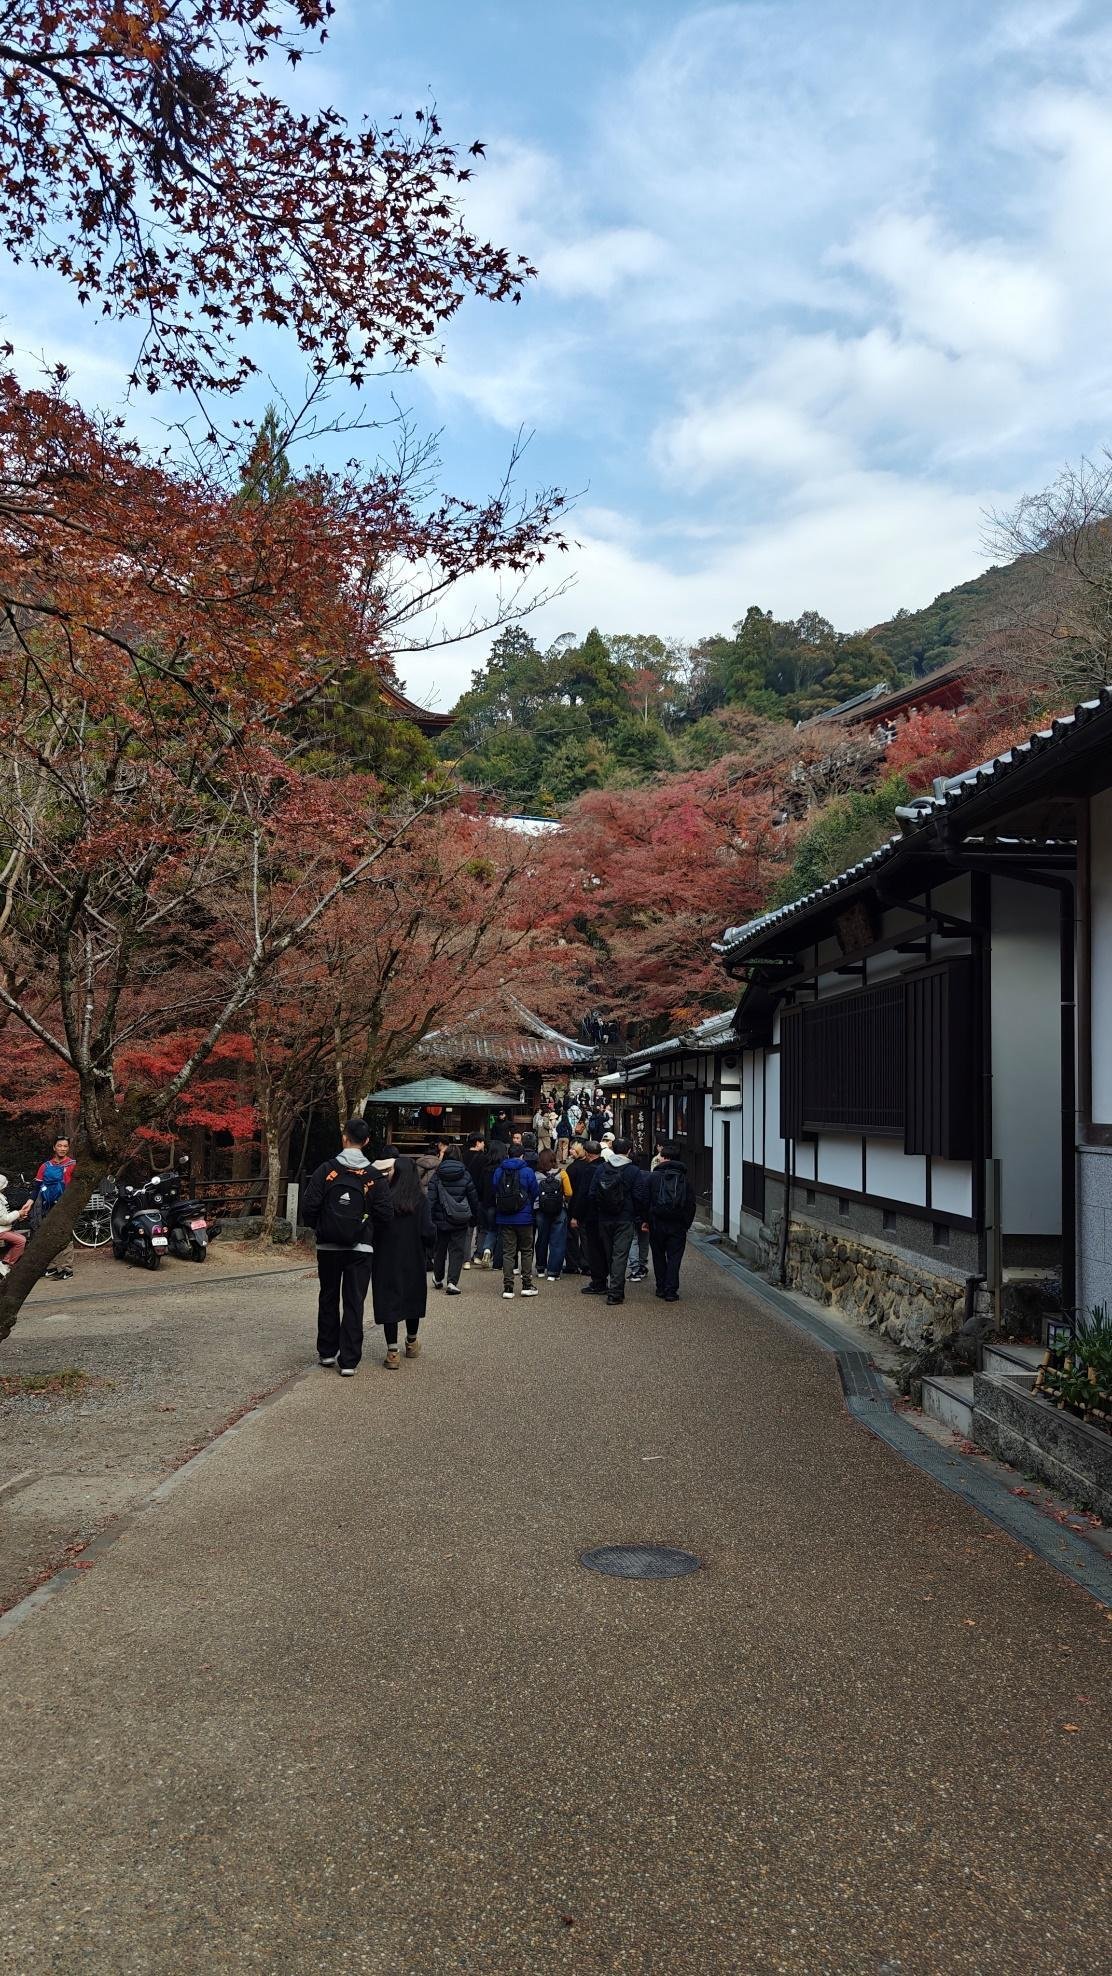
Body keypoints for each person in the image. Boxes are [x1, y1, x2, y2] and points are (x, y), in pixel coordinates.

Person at [301, 1117, 393, 1375]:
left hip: (328, 1246)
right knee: (354, 1301)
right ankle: (349, 1360)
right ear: (366, 1142)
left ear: (344, 1137)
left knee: (328, 1296)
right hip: (360, 1247)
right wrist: (369, 1232)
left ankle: (327, 1352)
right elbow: (386, 1215)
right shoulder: (374, 1177)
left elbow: (309, 1206)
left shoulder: (326, 1170)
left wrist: (321, 1228)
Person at [371, 1152, 434, 1368]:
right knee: (411, 1299)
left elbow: (374, 1229)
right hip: (413, 1257)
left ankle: (392, 1351)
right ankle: (412, 1341)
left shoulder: (385, 1200)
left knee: (389, 1300)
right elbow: (428, 1232)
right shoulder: (421, 1201)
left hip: (386, 1258)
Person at [589, 1137, 649, 1306]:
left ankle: (613, 1286)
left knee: (609, 1252)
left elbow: (592, 1194)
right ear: (629, 1151)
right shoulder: (633, 1171)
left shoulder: (601, 1168)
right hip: (625, 1218)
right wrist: (641, 1217)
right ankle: (615, 1292)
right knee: (620, 1254)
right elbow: (640, 1197)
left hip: (604, 1218)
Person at [648, 1142, 698, 1302]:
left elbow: (645, 1200)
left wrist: (646, 1220)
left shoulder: (654, 1177)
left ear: (664, 1158)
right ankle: (671, 1290)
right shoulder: (684, 1179)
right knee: (674, 1257)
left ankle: (660, 1287)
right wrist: (686, 1224)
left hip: (657, 1222)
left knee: (658, 1255)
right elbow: (691, 1205)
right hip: (677, 1225)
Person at [428, 1142, 480, 1294]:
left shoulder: (437, 1174)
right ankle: (452, 1282)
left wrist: (429, 1218)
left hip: (440, 1219)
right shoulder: (465, 1174)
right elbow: (473, 1198)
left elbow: (430, 1198)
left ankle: (438, 1278)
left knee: (440, 1250)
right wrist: (474, 1217)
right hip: (459, 1219)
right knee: (457, 1251)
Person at [490, 1141, 539, 1299]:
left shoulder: (499, 1171)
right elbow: (535, 1191)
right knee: (526, 1250)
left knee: (508, 1252)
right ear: (522, 1155)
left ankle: (508, 1287)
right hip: (524, 1217)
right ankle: (526, 1285)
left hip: (504, 1216)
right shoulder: (528, 1171)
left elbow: (495, 1188)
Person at [36, 1135, 77, 1279]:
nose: (62, 1149)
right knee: (48, 1235)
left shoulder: (72, 1165)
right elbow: (37, 1186)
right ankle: (52, 1266)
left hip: (66, 1205)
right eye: (60, 1145)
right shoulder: (45, 1166)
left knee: (64, 1236)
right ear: (54, 1147)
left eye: (65, 1146)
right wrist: (30, 1202)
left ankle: (66, 1268)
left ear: (68, 1148)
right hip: (47, 1205)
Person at [568, 1140, 606, 1294]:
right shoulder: (606, 1166)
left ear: (588, 1153)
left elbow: (582, 1195)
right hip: (606, 1213)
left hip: (590, 1214)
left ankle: (598, 1281)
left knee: (593, 1246)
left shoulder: (589, 1170)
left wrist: (575, 1215)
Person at [535, 1148, 572, 1281]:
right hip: (559, 1210)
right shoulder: (562, 1173)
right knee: (557, 1241)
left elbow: (533, 1193)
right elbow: (569, 1193)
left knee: (541, 1239)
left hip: (541, 1210)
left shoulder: (536, 1175)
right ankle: (553, 1272)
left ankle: (540, 1268)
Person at [0, 1175, 32, 1276]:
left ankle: (6, 1262)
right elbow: (3, 1219)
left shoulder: (1, 1197)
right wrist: (18, 1213)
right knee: (20, 1241)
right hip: (1, 1230)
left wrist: (18, 1216)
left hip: (4, 1228)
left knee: (21, 1238)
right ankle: (6, 1264)